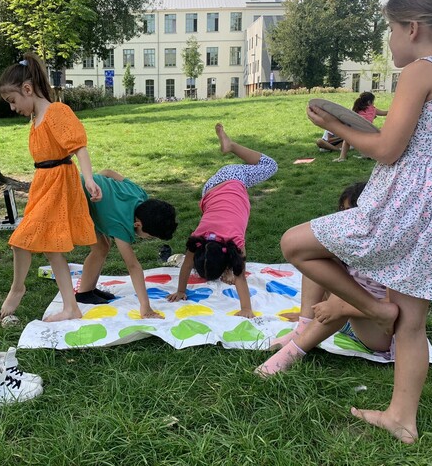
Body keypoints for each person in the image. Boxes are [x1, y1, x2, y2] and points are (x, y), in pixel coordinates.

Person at [279, 0, 432, 443]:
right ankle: (402, 418)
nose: (391, 40)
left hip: (407, 201)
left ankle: (374, 308)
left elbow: (388, 150)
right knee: (412, 323)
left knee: (294, 243)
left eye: (392, 30)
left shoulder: (421, 71)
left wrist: (336, 127)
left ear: (413, 28)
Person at [0, 52, 102, 322]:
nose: (12, 107)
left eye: (12, 100)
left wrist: (89, 179)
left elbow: (79, 147)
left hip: (59, 184)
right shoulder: (35, 120)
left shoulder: (56, 112)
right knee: (50, 247)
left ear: (28, 89)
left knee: (21, 239)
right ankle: (71, 307)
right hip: (44, 184)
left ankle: (17, 288)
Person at [255, 182, 394, 375]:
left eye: (352, 213)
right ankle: (303, 327)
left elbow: (394, 307)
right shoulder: (348, 244)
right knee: (316, 259)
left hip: (377, 333)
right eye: (342, 212)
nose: (345, 220)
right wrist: (313, 314)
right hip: (343, 319)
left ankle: (289, 356)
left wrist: (341, 307)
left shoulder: (391, 253)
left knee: (344, 296)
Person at [166, 124, 278, 317]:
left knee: (271, 166)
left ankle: (231, 145)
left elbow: (239, 275)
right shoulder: (198, 238)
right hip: (211, 190)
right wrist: (181, 291)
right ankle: (231, 146)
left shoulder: (234, 241)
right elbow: (188, 265)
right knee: (268, 167)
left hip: (231, 178)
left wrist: (246, 309)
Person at [74, 170, 178, 319]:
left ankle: (87, 290)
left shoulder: (139, 194)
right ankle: (84, 293)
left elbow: (108, 172)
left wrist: (97, 184)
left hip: (84, 188)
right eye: (148, 236)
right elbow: (132, 265)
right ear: (137, 224)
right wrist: (145, 307)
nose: (146, 239)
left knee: (103, 246)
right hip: (73, 199)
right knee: (100, 248)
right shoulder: (121, 224)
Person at [334, 92, 388, 161]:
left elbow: (351, 118)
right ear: (369, 102)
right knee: (364, 142)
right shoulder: (374, 109)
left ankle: (342, 157)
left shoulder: (357, 108)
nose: (374, 103)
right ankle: (366, 155)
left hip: (356, 129)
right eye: (373, 101)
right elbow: (384, 113)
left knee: (347, 140)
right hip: (368, 131)